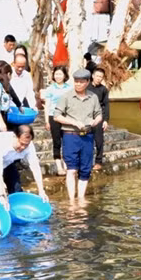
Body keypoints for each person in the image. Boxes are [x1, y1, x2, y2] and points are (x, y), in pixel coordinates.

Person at [54, 69, 102, 202]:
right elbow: (57, 116)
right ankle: (71, 200)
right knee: (71, 169)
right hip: (70, 136)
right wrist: (74, 122)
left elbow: (99, 114)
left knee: (85, 170)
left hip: (87, 136)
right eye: (76, 82)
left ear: (87, 82)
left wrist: (95, 121)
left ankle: (80, 199)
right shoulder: (66, 97)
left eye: (81, 82)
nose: (78, 84)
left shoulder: (93, 97)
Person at [0, 125, 48, 208]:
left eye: (26, 145)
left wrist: (41, 191)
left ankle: (19, 214)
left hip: (8, 162)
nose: (23, 147)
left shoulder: (28, 144)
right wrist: (1, 195)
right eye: (21, 144)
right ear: (15, 136)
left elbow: (35, 167)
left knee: (17, 190)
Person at [41, 66, 72, 176]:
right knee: (57, 142)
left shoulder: (69, 88)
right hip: (53, 116)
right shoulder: (50, 89)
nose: (58, 76)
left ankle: (67, 165)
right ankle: (59, 167)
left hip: (66, 117)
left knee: (67, 141)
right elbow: (47, 105)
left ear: (65, 75)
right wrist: (46, 121)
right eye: (56, 74)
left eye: (60, 74)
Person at [88, 67, 110, 171]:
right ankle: (87, 161)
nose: (98, 78)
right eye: (97, 76)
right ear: (93, 76)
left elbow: (106, 105)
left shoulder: (103, 89)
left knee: (99, 140)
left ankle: (98, 161)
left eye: (101, 77)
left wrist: (106, 120)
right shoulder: (86, 87)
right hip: (86, 116)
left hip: (99, 116)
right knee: (87, 140)